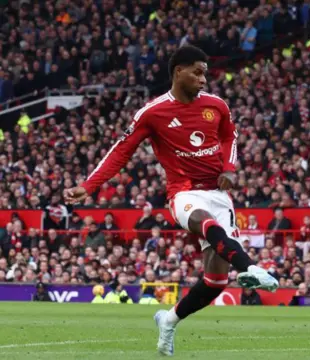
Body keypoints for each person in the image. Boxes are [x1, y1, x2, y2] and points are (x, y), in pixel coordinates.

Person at [63, 45, 278, 356]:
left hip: (219, 194)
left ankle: (169, 319)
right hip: (183, 192)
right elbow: (121, 151)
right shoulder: (152, 113)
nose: (204, 79)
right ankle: (251, 266)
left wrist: (230, 168)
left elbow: (230, 136)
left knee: (216, 281)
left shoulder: (216, 106)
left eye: (205, 73)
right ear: (179, 71)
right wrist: (89, 185)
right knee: (204, 222)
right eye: (198, 72)